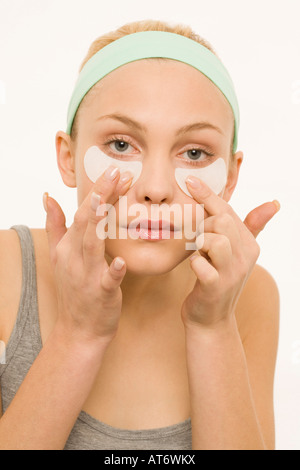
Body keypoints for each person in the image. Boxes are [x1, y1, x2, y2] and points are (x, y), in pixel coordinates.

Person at [0, 19, 280, 450]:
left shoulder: (249, 294)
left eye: (193, 153)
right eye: (121, 144)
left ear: (230, 177)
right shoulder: (7, 272)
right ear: (68, 157)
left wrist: (213, 328)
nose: (155, 188)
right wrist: (79, 334)